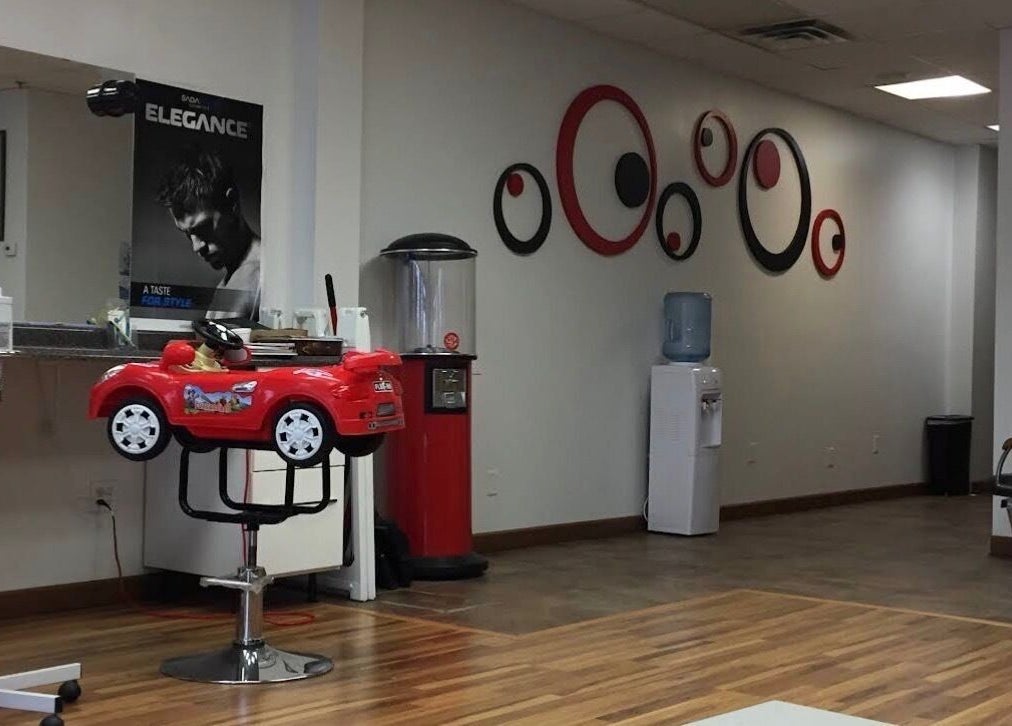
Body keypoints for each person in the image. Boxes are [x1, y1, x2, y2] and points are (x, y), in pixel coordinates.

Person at [157, 146, 260, 320]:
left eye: (203, 229)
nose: (196, 247)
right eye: (187, 234)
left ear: (231, 203)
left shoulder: (256, 275)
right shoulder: (230, 281)